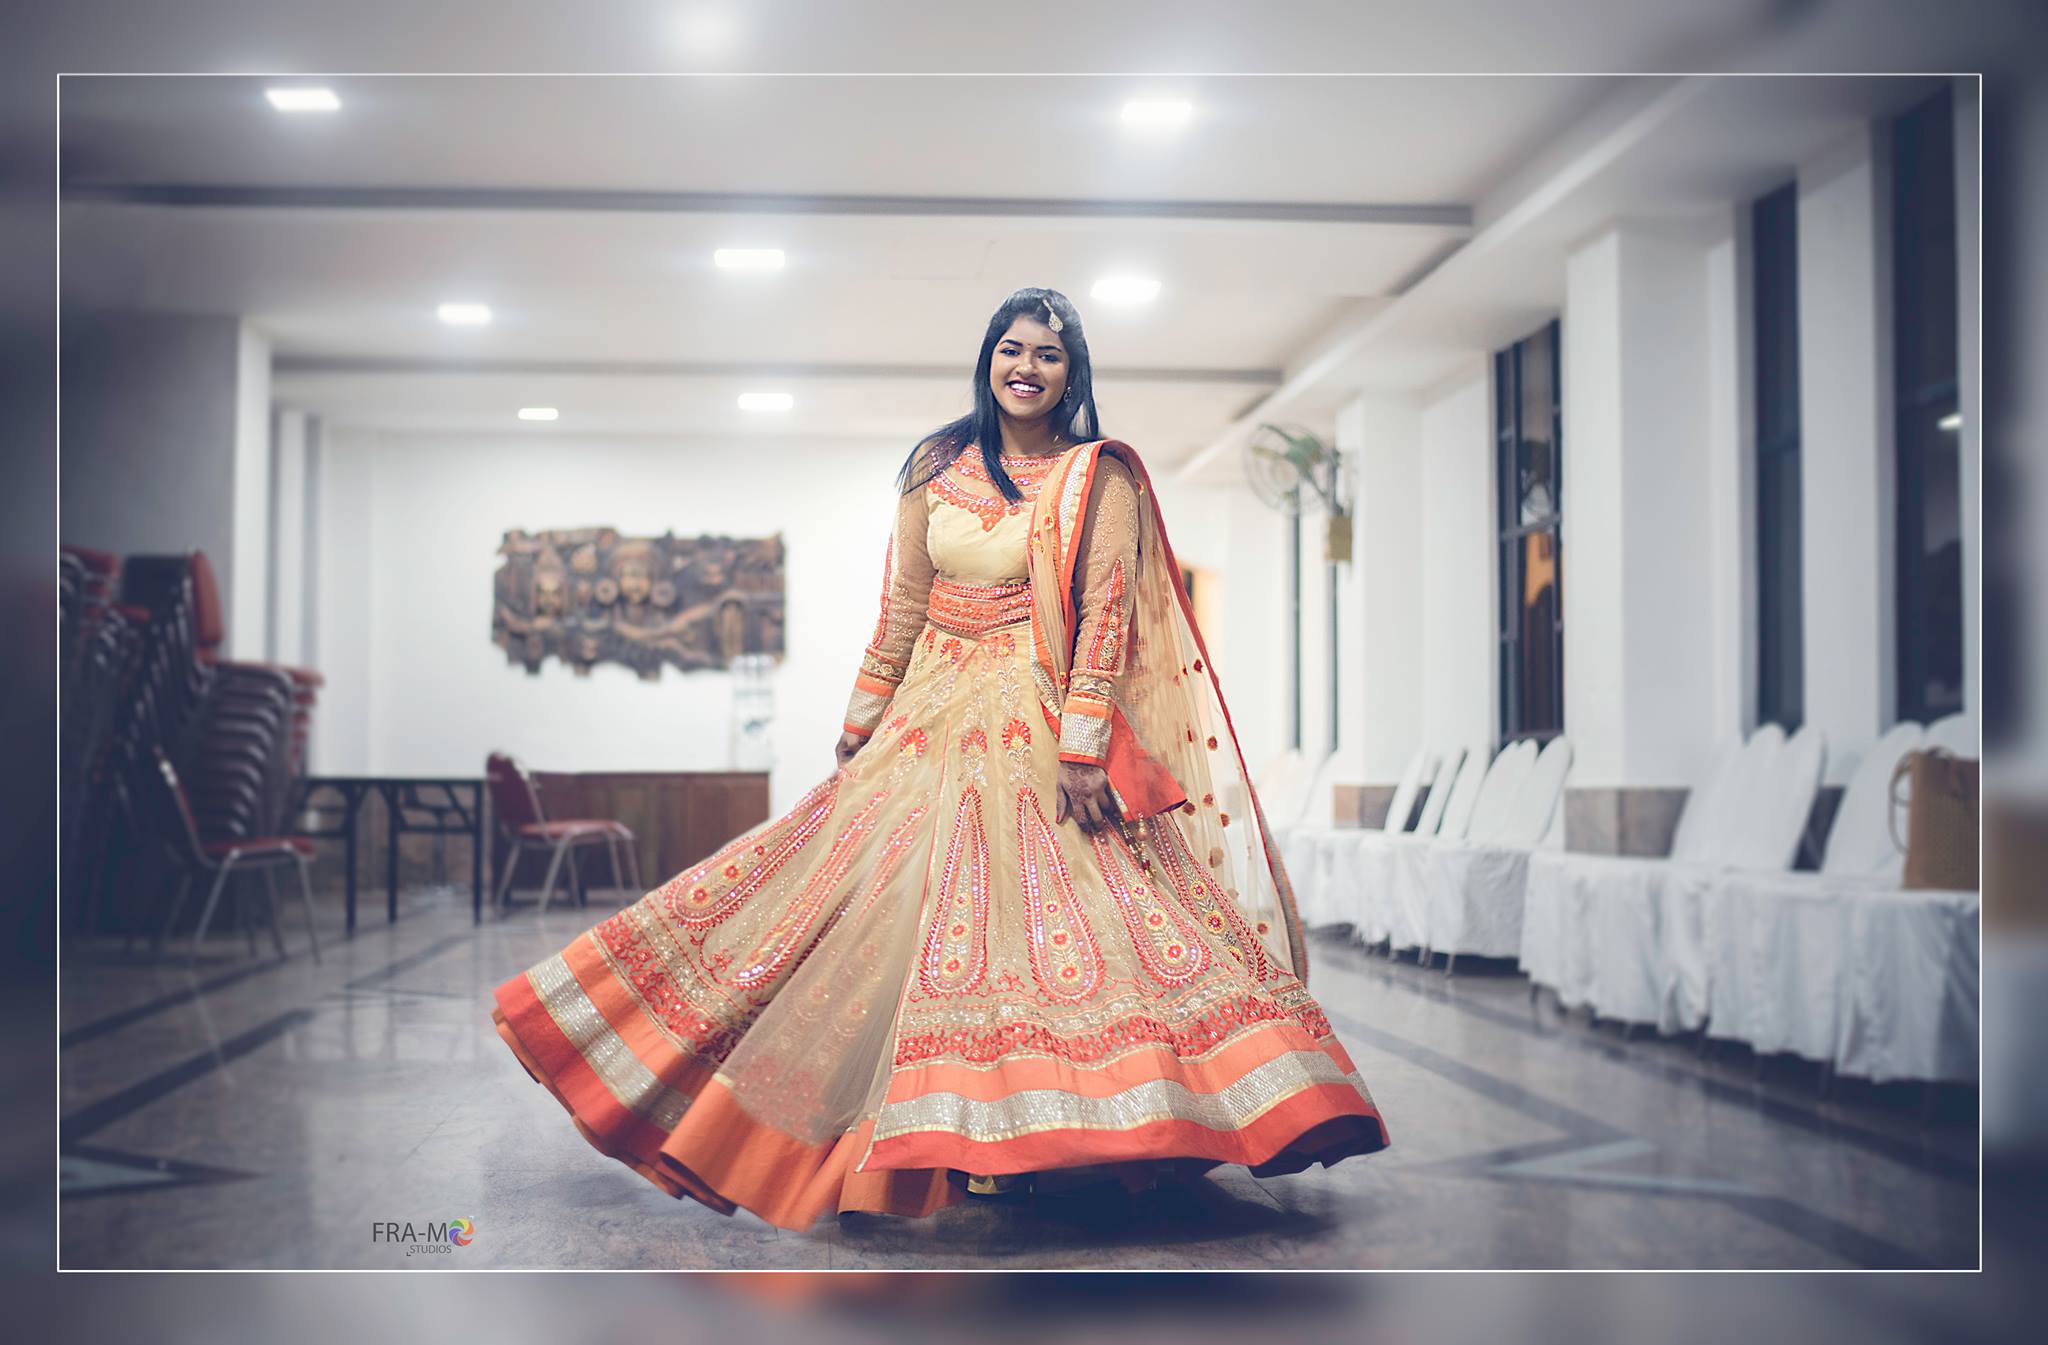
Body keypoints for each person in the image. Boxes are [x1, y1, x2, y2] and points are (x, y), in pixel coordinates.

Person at [490, 287, 1389, 1231]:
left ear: (1072, 374)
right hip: (926, 723)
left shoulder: (1098, 476)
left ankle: (1088, 1142)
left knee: (1076, 928)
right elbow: (903, 607)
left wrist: (1084, 744)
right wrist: (859, 725)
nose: (1026, 368)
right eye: (1013, 349)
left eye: (1048, 354)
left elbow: (1109, 616)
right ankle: (903, 1140)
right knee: (847, 913)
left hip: (1043, 727)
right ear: (988, 359)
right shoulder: (936, 467)